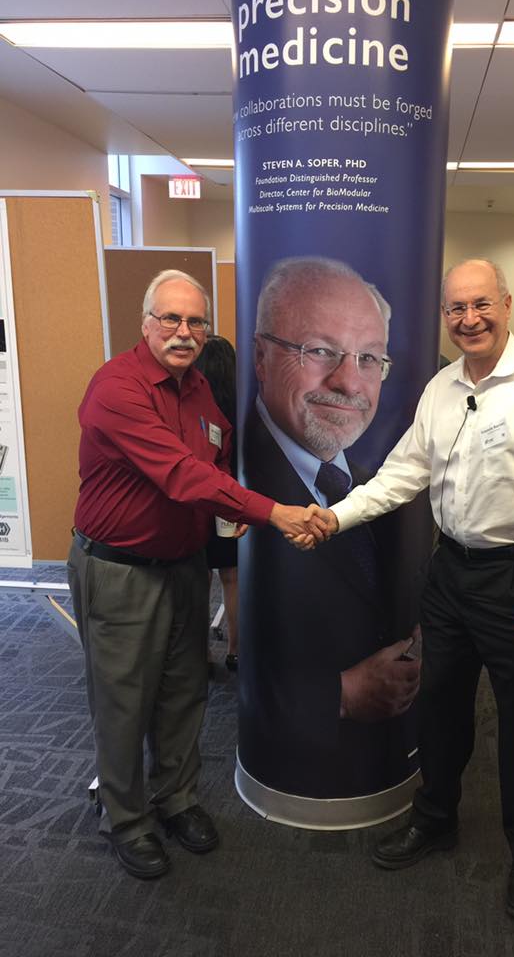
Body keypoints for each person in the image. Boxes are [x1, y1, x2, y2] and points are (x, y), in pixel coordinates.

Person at [296, 259, 514, 921]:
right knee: (437, 706)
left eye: (481, 305)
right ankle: (435, 817)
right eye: (456, 309)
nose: (469, 319)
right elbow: (402, 474)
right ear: (445, 317)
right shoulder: (441, 389)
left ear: (506, 303)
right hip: (452, 576)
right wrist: (336, 515)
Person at [67, 269, 327, 880]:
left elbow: (220, 455)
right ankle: (126, 819)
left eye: (196, 322)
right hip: (120, 570)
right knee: (124, 701)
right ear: (145, 323)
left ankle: (176, 799)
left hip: (183, 565)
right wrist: (275, 513)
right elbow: (183, 474)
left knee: (184, 690)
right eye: (171, 319)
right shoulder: (117, 387)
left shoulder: (197, 391)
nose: (184, 332)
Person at [240, 256, 426, 801]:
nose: (349, 382)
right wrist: (338, 696)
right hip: (296, 769)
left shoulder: (379, 477)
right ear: (260, 358)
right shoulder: (234, 472)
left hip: (385, 754)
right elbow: (232, 651)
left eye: (369, 358)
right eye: (319, 351)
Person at [194, 335, 240, 674]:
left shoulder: (193, 408)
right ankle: (235, 649)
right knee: (232, 578)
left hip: (198, 502)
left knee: (199, 579)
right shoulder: (246, 407)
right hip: (234, 502)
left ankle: (202, 654)